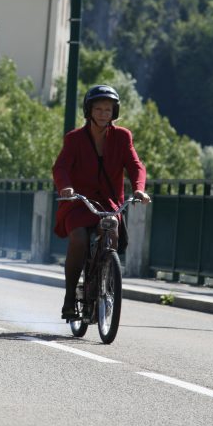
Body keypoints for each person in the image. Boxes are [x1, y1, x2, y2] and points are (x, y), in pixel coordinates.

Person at [52, 84, 151, 320]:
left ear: (114, 112)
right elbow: (61, 167)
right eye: (99, 109)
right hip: (79, 202)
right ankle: (69, 298)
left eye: (108, 109)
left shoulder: (122, 136)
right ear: (89, 110)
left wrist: (139, 189)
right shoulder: (75, 138)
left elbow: (136, 166)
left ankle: (103, 278)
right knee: (79, 237)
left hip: (108, 202)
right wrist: (66, 187)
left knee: (111, 230)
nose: (104, 113)